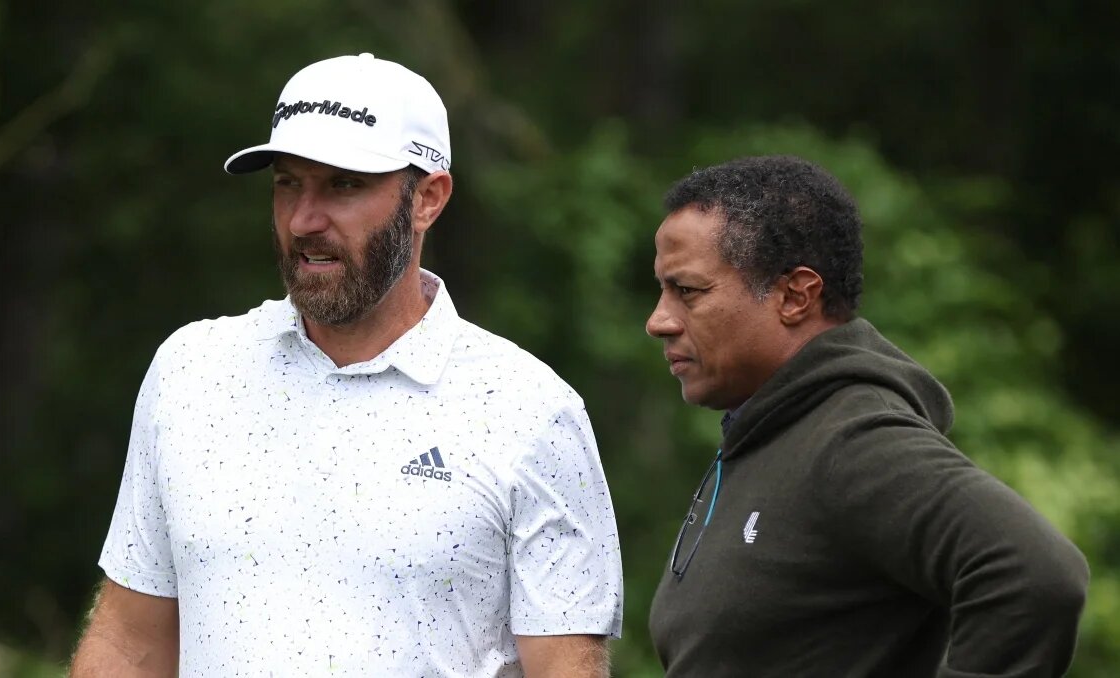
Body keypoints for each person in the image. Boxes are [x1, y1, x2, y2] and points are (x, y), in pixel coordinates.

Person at [70, 53, 623, 677]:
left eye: (344, 184)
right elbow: (128, 646)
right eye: (287, 182)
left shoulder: (530, 409)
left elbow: (565, 669)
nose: (304, 220)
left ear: (428, 199)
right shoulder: (191, 372)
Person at [645, 155, 1089, 677]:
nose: (659, 321)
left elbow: (1037, 575)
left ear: (795, 295)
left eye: (688, 291)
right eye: (662, 289)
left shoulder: (851, 441)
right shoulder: (766, 434)